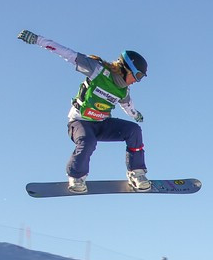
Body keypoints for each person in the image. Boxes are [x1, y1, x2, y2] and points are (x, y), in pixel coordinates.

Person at [17, 29, 151, 194]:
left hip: (102, 124)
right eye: (137, 75)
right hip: (80, 122)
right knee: (88, 141)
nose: (137, 81)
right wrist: (38, 40)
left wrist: (136, 115)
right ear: (125, 68)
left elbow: (128, 106)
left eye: (141, 77)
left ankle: (136, 173)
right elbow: (67, 53)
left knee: (134, 131)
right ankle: (76, 176)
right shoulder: (97, 70)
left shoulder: (123, 91)